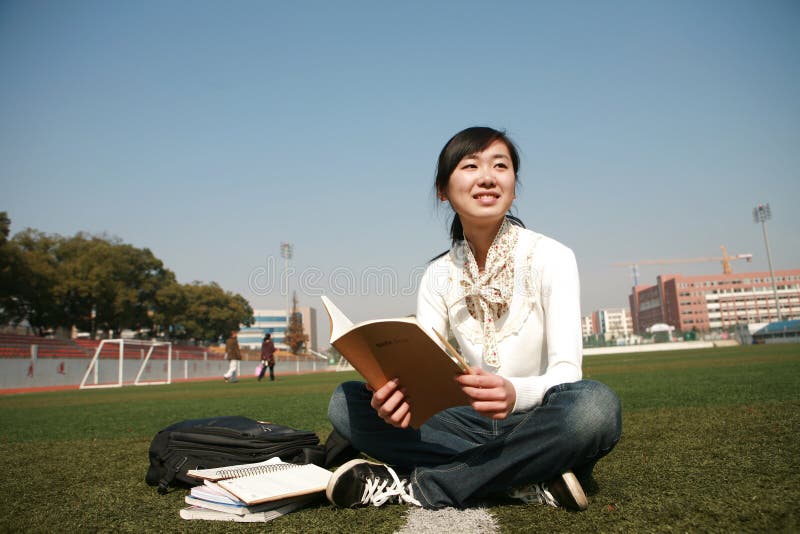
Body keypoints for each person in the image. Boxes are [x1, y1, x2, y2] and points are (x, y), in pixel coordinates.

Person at [326, 126, 622, 511]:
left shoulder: (553, 257)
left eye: (500, 165)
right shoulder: (437, 274)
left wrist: (516, 392)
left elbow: (568, 371)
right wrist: (394, 399)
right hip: (460, 422)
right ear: (443, 191)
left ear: (514, 187)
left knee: (596, 407)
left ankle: (429, 483)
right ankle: (524, 477)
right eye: (470, 165)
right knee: (344, 402)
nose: (487, 177)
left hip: (537, 419)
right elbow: (425, 372)